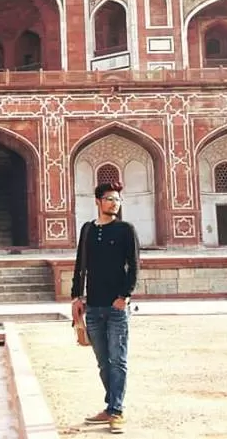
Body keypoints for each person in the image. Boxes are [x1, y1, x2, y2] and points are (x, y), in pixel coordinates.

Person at [70, 180, 139, 435]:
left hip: (116, 306)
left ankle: (116, 411)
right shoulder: (88, 229)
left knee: (118, 360)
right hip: (94, 306)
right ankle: (111, 406)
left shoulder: (125, 230)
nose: (114, 203)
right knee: (103, 362)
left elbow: (134, 265)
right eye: (110, 199)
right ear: (98, 201)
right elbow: (80, 265)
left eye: (117, 200)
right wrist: (76, 296)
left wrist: (125, 296)